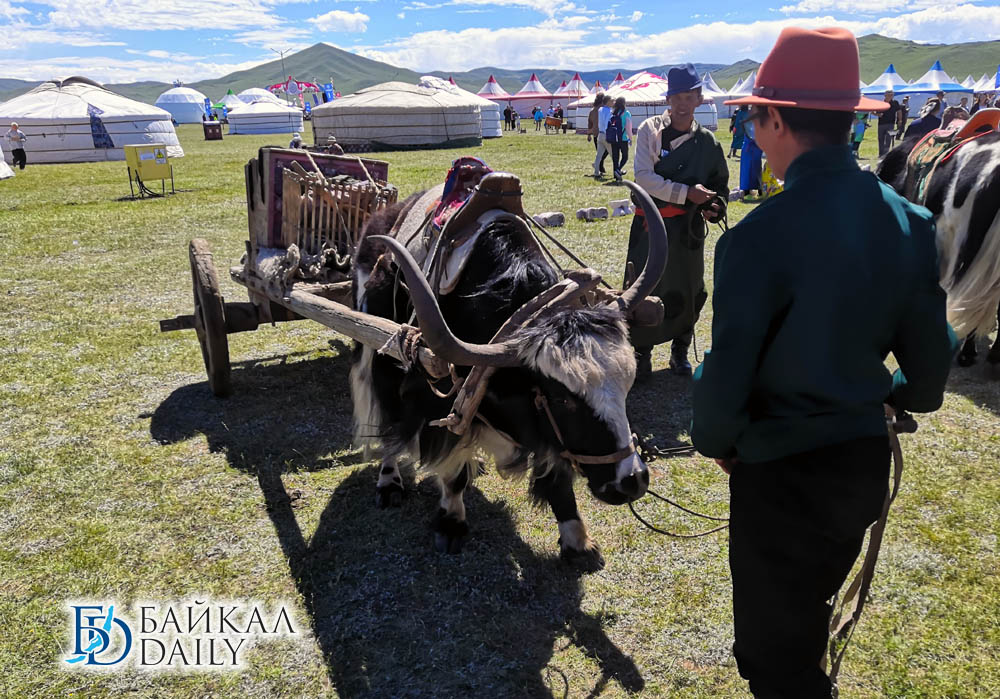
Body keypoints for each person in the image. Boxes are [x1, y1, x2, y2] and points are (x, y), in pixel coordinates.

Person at [693, 27, 956, 699]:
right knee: (805, 616)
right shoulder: (910, 223)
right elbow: (926, 382)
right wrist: (884, 389)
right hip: (858, 472)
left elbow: (723, 390)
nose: (752, 135)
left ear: (777, 118)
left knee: (773, 664)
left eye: (755, 117)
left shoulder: (757, 238)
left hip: (780, 483)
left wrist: (717, 439)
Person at [627, 63, 728, 378]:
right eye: (677, 96)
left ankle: (679, 352)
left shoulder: (709, 143)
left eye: (690, 96)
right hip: (652, 228)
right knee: (644, 287)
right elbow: (643, 177)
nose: (683, 102)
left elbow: (719, 185)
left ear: (699, 99)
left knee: (689, 288)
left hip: (687, 231)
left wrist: (715, 206)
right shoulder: (650, 130)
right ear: (668, 100)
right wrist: (686, 193)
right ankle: (642, 354)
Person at [606, 96, 633, 183]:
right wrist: (631, 138)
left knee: (615, 157)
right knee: (625, 156)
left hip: (614, 138)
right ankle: (618, 170)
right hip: (623, 138)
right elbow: (628, 128)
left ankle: (616, 174)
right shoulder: (626, 113)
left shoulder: (613, 113)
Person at [739, 119, 763, 199]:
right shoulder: (750, 121)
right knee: (748, 171)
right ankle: (747, 191)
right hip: (750, 147)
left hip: (752, 148)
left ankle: (759, 190)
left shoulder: (750, 121)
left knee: (754, 170)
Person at [587, 93, 609, 176]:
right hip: (602, 132)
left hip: (595, 133)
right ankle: (598, 165)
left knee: (600, 152)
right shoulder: (603, 110)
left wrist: (589, 134)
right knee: (605, 151)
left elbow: (589, 123)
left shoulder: (592, 110)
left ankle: (599, 168)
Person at [593, 95, 612, 178]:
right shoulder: (609, 111)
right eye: (612, 101)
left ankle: (596, 172)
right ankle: (617, 171)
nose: (613, 102)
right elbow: (607, 122)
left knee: (599, 155)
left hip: (600, 134)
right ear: (607, 101)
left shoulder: (600, 109)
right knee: (613, 154)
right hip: (606, 134)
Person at [877, 90, 900, 156]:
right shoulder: (880, 103)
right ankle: (881, 153)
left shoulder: (895, 103)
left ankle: (886, 153)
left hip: (891, 123)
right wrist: (878, 115)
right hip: (881, 123)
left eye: (892, 95)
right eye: (889, 95)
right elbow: (874, 111)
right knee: (881, 138)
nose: (890, 96)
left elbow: (899, 111)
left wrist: (900, 120)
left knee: (888, 138)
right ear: (885, 95)